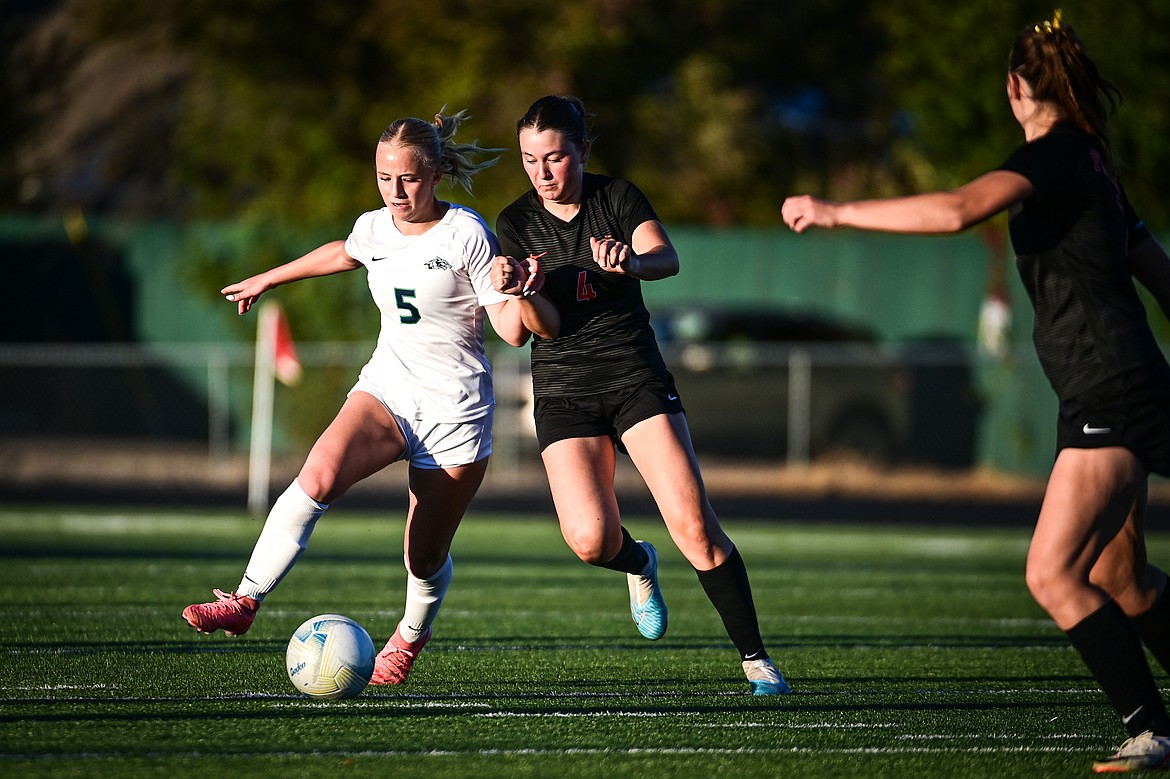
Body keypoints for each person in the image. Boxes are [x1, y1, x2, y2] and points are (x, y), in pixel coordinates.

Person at [782, 11, 1170, 772]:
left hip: (1108, 391)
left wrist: (835, 211)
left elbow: (959, 209)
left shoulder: (1058, 156)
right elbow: (1159, 274)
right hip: (1130, 382)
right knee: (1121, 575)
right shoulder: (1095, 163)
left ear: (1016, 86)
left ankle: (1151, 728)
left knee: (1051, 573)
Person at [182, 109, 556, 686]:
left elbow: (511, 332)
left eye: (406, 178)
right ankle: (245, 600)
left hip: (455, 413)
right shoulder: (376, 226)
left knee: (422, 557)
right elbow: (343, 251)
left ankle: (409, 635)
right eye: (384, 178)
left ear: (434, 175)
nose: (395, 191)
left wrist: (518, 288)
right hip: (388, 389)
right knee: (317, 476)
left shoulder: (466, 234)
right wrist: (267, 279)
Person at [492, 94, 790, 696]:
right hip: (564, 389)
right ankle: (639, 563)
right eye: (530, 160)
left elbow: (667, 258)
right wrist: (520, 289)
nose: (542, 173)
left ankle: (756, 661)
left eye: (555, 158)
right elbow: (520, 331)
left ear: (583, 151)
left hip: (635, 377)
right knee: (590, 541)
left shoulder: (617, 198)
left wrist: (631, 262)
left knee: (695, 527)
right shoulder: (515, 223)